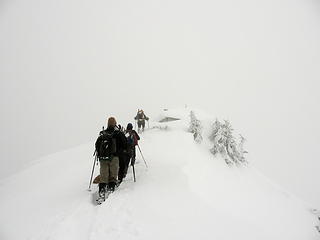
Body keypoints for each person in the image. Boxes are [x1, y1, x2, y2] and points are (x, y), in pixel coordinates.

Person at [95, 117, 127, 198]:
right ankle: (111, 189)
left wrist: (99, 155)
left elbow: (97, 145)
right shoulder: (118, 133)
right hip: (114, 157)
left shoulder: (103, 133)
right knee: (113, 176)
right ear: (115, 123)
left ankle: (101, 191)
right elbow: (125, 144)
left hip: (103, 158)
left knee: (103, 176)